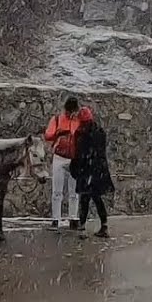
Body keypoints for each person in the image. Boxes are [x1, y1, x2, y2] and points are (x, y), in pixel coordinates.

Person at [69, 106, 113, 238]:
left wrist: (75, 168)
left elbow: (78, 154)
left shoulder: (80, 133)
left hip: (86, 170)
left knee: (85, 198)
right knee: (97, 198)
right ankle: (104, 226)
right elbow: (100, 153)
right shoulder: (100, 131)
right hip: (98, 169)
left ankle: (82, 227)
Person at [43, 97, 83, 229]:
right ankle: (56, 219)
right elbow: (48, 135)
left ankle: (73, 218)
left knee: (74, 191)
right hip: (59, 156)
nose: (72, 113)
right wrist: (58, 133)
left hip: (74, 158)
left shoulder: (79, 120)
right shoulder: (57, 119)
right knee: (57, 190)